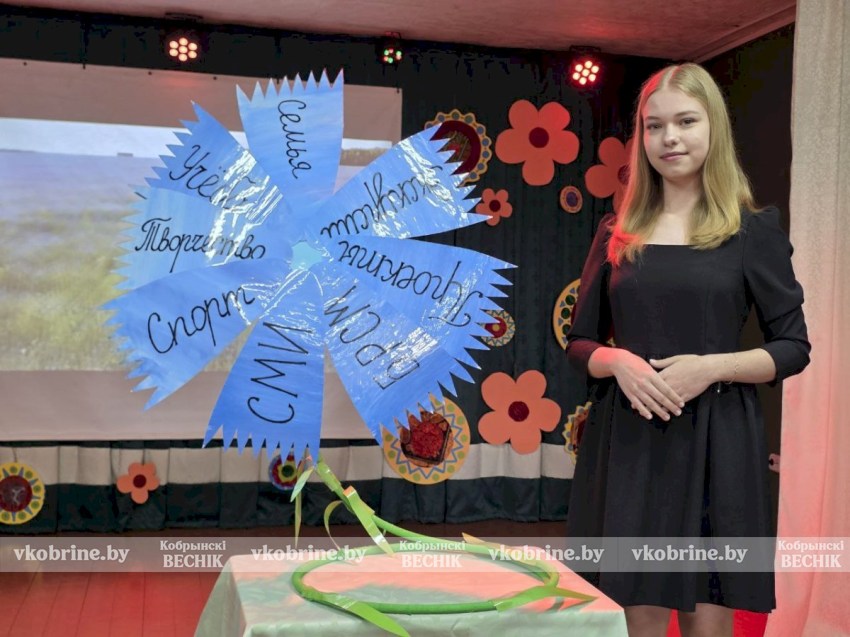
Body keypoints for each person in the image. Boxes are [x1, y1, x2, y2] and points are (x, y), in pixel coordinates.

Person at [565, 63, 810, 637]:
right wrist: (617, 361)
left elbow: (793, 347)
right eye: (654, 126)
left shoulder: (752, 232)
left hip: (719, 446)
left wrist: (711, 368)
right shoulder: (616, 233)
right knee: (637, 623)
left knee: (710, 623)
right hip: (631, 446)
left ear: (713, 127)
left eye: (685, 122)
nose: (669, 138)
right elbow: (579, 343)